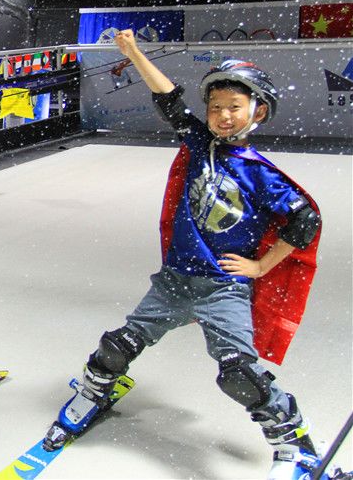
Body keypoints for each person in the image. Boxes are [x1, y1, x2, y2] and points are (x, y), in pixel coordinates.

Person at [45, 29, 323, 479]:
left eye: (234, 107)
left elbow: (304, 221)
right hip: (174, 281)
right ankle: (93, 392)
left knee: (238, 374)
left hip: (223, 288)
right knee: (117, 347)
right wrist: (133, 52)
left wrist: (260, 266)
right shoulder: (199, 145)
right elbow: (169, 99)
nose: (222, 116)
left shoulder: (262, 175)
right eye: (216, 108)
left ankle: (296, 443)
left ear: (259, 111)